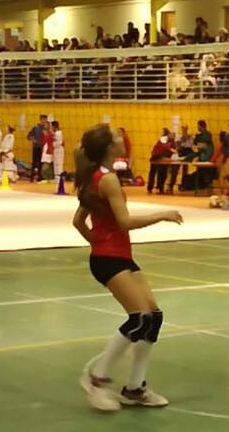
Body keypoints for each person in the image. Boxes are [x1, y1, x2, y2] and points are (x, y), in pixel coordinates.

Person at [73, 125, 184, 412]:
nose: (122, 138)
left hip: (116, 256)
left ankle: (135, 389)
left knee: (153, 317)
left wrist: (98, 242)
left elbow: (78, 221)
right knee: (139, 318)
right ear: (109, 147)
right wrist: (162, 214)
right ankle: (96, 379)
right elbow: (124, 222)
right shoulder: (107, 179)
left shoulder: (96, 176)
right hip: (109, 259)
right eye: (117, 137)